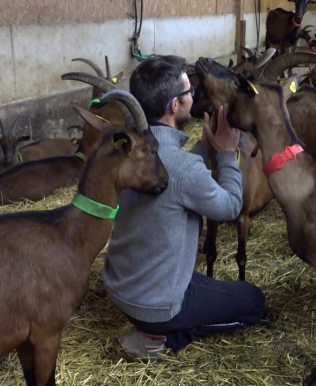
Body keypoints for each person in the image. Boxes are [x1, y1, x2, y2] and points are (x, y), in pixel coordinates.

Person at [102, 55, 266, 359]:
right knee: (254, 302)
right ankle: (159, 340)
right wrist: (228, 154)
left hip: (122, 287)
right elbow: (231, 207)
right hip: (157, 307)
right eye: (189, 92)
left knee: (207, 284)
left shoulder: (129, 149)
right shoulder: (183, 168)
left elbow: (176, 173)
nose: (194, 97)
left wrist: (205, 146)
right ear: (173, 106)